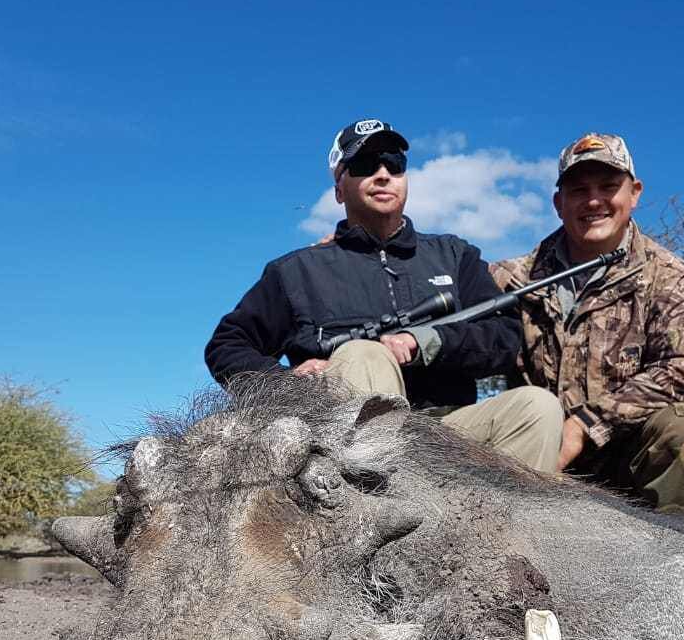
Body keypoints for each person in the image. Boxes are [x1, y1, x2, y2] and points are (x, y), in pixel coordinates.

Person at [205, 118, 562, 473]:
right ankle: (380, 517)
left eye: (394, 163)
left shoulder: (455, 256)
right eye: (364, 165)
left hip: (451, 430)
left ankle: (507, 529)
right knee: (364, 354)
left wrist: (425, 342)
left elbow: (503, 338)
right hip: (344, 442)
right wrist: (287, 381)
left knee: (537, 407)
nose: (383, 174)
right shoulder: (295, 271)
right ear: (339, 189)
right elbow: (226, 345)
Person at [490, 132, 684, 522]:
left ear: (634, 193)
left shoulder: (668, 274)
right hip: (535, 456)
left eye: (608, 187)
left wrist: (586, 425)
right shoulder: (512, 279)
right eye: (579, 190)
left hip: (624, 455)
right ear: (558, 203)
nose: (594, 200)